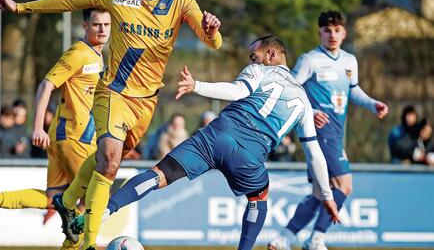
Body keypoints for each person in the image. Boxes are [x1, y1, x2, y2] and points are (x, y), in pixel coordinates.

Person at [0, 0, 222, 249]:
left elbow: (213, 43)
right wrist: (23, 7)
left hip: (146, 103)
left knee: (106, 160)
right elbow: (72, 0)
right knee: (109, 162)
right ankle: (89, 243)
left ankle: (65, 200)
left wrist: (212, 30)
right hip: (114, 93)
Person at [70, 35, 340, 250]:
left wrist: (197, 85)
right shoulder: (304, 100)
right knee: (259, 198)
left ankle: (103, 212)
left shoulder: (260, 70)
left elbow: (236, 92)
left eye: (254, 55)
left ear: (271, 54)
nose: (251, 59)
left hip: (216, 136)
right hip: (250, 155)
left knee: (158, 175)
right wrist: (326, 195)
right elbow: (314, 153)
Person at [0, 8, 111, 250]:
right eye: (97, 24)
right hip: (76, 138)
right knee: (89, 204)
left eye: (106, 24)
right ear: (85, 26)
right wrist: (37, 126)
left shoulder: (96, 55)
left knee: (54, 199)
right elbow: (46, 85)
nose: (102, 29)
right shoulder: (79, 53)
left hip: (65, 135)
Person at [269, 11, 389, 250]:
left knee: (318, 194)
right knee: (344, 186)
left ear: (344, 32)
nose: (332, 34)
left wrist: (371, 103)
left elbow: (352, 90)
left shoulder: (349, 61)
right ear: (319, 32)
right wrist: (311, 111)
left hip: (336, 133)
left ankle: (283, 239)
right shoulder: (309, 60)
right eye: (327, 30)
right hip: (319, 133)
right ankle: (316, 239)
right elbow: (288, 89)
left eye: (336, 30)